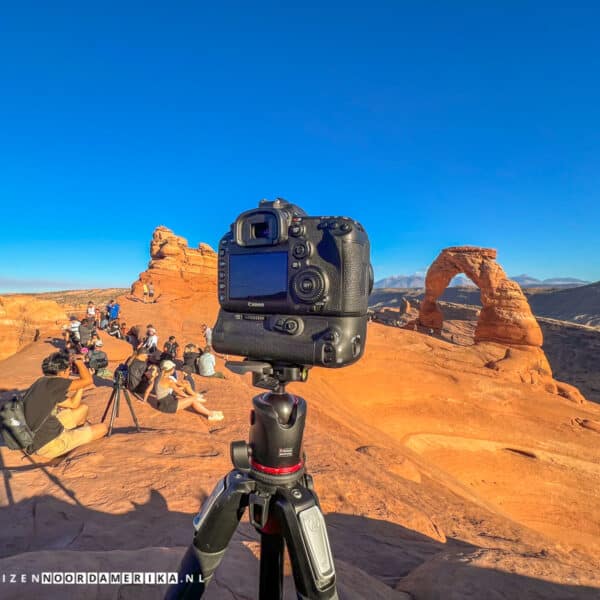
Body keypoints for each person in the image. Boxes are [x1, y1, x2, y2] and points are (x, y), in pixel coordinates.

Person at [22, 352, 108, 458]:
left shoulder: (42, 382)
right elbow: (88, 380)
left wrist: (81, 384)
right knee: (103, 428)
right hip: (49, 445)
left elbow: (73, 404)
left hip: (40, 434)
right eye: (68, 370)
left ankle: (75, 435)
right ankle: (71, 441)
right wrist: (79, 362)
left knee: (83, 408)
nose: (69, 372)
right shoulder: (56, 383)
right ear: (61, 372)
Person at [154, 360, 223, 421]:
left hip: (161, 403)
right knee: (192, 400)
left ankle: (209, 412)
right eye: (173, 368)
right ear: (171, 370)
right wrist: (189, 397)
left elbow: (174, 384)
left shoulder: (159, 377)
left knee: (190, 399)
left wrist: (184, 385)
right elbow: (179, 392)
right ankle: (211, 414)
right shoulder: (168, 380)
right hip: (168, 406)